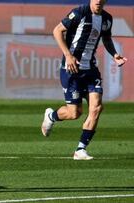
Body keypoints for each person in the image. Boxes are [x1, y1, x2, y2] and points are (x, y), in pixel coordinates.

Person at [41, 0, 127, 160]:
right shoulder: (79, 12)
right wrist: (68, 56)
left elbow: (107, 39)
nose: (98, 2)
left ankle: (80, 149)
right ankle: (51, 116)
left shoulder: (107, 19)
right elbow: (57, 30)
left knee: (96, 108)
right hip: (71, 69)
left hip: (91, 70)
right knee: (75, 113)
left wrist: (115, 55)